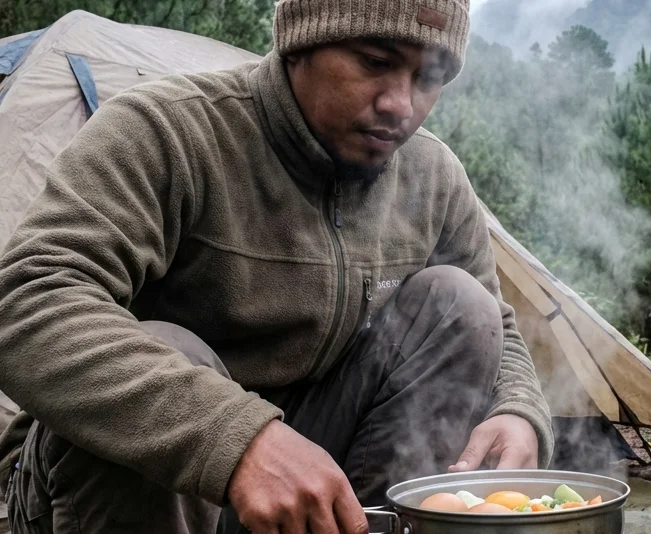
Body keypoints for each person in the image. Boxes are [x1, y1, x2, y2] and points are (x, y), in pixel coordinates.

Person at [0, 0, 554, 532]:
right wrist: (236, 439)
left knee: (461, 305)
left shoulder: (431, 176)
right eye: (375, 63)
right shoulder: (168, 132)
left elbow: (498, 329)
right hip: (124, 490)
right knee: (171, 348)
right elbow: (26, 299)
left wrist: (518, 411)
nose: (400, 104)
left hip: (313, 480)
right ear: (300, 43)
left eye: (429, 78)